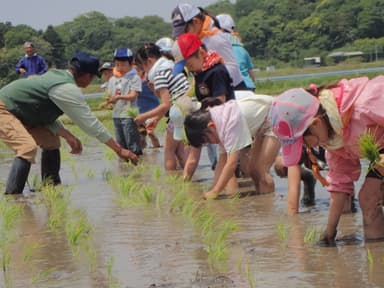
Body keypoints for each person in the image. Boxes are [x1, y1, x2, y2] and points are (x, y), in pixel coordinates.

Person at [0, 51, 138, 195]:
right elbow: (89, 123)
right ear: (87, 75)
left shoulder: (58, 77)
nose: (91, 81)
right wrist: (119, 150)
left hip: (22, 113)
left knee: (51, 141)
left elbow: (45, 117)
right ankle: (14, 198)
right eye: (92, 77)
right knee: (27, 148)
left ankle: (51, 186)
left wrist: (68, 135)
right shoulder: (66, 88)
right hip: (5, 109)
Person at [268, 77, 384, 244]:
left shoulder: (366, 103)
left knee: (369, 195)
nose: (307, 149)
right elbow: (339, 183)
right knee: (368, 199)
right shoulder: (333, 139)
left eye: (304, 142)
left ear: (315, 123)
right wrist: (329, 232)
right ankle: (377, 258)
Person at [184, 93, 280, 199]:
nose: (210, 143)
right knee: (253, 171)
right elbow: (222, 162)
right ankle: (262, 203)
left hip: (277, 115)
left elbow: (231, 164)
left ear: (211, 127)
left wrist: (216, 191)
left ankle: (268, 208)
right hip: (263, 125)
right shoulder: (218, 123)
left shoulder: (229, 122)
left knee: (261, 172)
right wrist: (211, 190)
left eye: (207, 140)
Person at [172, 32, 235, 181]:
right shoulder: (199, 71)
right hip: (208, 120)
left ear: (201, 53)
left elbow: (220, 102)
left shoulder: (216, 71)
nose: (189, 69)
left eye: (189, 64)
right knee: (195, 153)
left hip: (226, 123)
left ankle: (231, 196)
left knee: (228, 163)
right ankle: (185, 183)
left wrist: (200, 117)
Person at [134, 43, 199, 170]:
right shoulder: (171, 66)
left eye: (142, 67)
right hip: (190, 107)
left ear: (149, 61)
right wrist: (156, 118)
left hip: (179, 111)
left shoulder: (159, 74)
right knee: (179, 149)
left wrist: (143, 117)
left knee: (169, 151)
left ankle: (172, 185)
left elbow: (165, 104)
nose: (143, 72)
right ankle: (190, 182)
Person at [171, 3, 247, 90]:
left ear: (196, 22)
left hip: (234, 89)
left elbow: (233, 68)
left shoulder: (214, 38)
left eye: (184, 30)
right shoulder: (198, 37)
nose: (183, 35)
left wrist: (210, 78)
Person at [107, 48, 143, 156]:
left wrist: (118, 98)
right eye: (117, 65)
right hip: (116, 116)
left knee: (133, 145)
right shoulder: (112, 79)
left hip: (129, 116)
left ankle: (139, 169)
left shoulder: (134, 78)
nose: (120, 67)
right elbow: (110, 96)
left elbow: (133, 96)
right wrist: (109, 103)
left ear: (131, 63)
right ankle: (125, 170)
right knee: (120, 146)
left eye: (123, 65)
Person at [216, 14, 256, 91]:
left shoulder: (218, 45)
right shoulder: (242, 48)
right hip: (249, 86)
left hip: (232, 86)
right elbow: (251, 74)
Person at [136, 66, 161, 149]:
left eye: (137, 70)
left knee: (150, 132)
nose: (136, 73)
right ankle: (144, 154)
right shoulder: (132, 81)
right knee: (141, 135)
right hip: (140, 112)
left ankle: (157, 149)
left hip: (152, 110)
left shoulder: (149, 77)